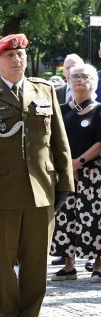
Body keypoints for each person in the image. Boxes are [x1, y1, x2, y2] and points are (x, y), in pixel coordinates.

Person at [0, 33, 74, 317]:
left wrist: (65, 183)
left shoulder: (44, 90)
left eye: (21, 55)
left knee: (36, 264)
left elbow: (59, 141)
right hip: (1, 193)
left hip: (42, 190)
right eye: (9, 56)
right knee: (1, 265)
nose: (17, 60)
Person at [49, 64, 101, 281]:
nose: (79, 80)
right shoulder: (60, 110)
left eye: (85, 76)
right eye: (75, 76)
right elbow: (51, 141)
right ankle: (68, 265)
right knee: (65, 217)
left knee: (95, 219)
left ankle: (99, 265)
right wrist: (66, 166)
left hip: (93, 174)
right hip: (65, 172)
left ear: (93, 82)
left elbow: (100, 143)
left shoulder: (99, 110)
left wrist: (77, 163)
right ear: (69, 81)